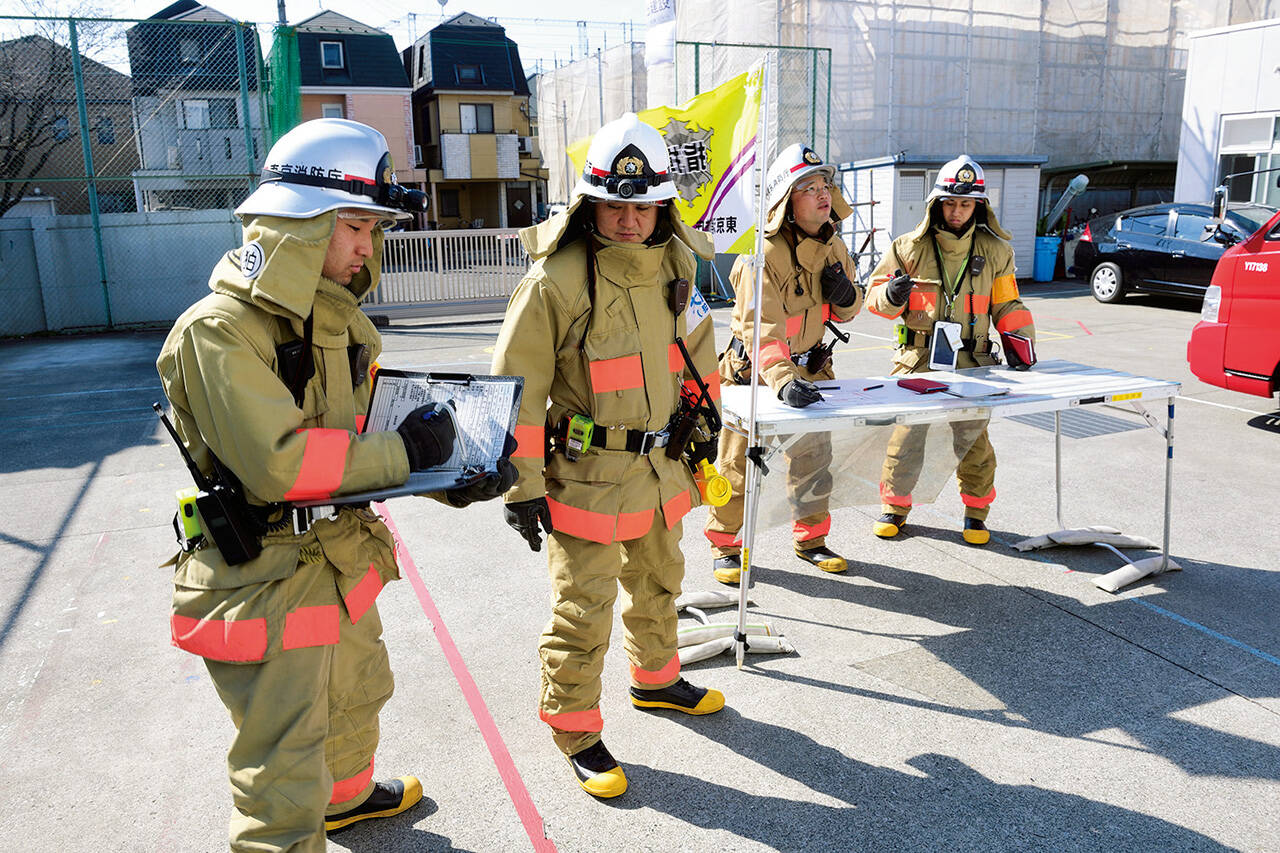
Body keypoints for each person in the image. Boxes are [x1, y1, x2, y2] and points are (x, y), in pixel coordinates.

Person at [156, 118, 514, 851]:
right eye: (355, 225)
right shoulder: (218, 330)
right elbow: (283, 466)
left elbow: (369, 439)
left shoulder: (340, 324)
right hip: (267, 575)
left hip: (336, 558)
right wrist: (407, 453)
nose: (368, 246)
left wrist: (454, 476)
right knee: (282, 775)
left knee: (355, 696)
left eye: (373, 228)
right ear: (298, 224)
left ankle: (347, 799)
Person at [491, 113, 725, 799]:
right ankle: (576, 727)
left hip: (661, 468)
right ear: (593, 203)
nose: (629, 220)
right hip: (586, 477)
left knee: (661, 580)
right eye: (616, 205)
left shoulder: (680, 262)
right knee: (583, 606)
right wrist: (521, 484)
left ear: (662, 206)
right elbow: (518, 391)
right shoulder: (555, 281)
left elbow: (698, 350)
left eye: (643, 206)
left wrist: (705, 423)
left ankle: (656, 678)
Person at [704, 144, 863, 584]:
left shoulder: (835, 246)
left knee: (814, 460)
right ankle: (725, 546)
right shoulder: (762, 255)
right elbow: (761, 328)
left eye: (824, 185)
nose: (822, 194)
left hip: (813, 371)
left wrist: (848, 297)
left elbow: (850, 312)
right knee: (737, 466)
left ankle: (811, 540)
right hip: (757, 376)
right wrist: (781, 379)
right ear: (785, 202)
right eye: (808, 187)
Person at [864, 154, 1036, 545]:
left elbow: (1007, 303)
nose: (957, 211)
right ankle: (895, 508)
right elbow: (873, 297)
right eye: (950, 202)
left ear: (979, 206)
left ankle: (976, 514)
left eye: (966, 203)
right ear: (936, 203)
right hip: (917, 363)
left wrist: (1023, 346)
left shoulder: (996, 252)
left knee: (974, 442)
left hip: (972, 365)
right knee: (906, 439)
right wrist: (889, 294)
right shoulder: (908, 247)